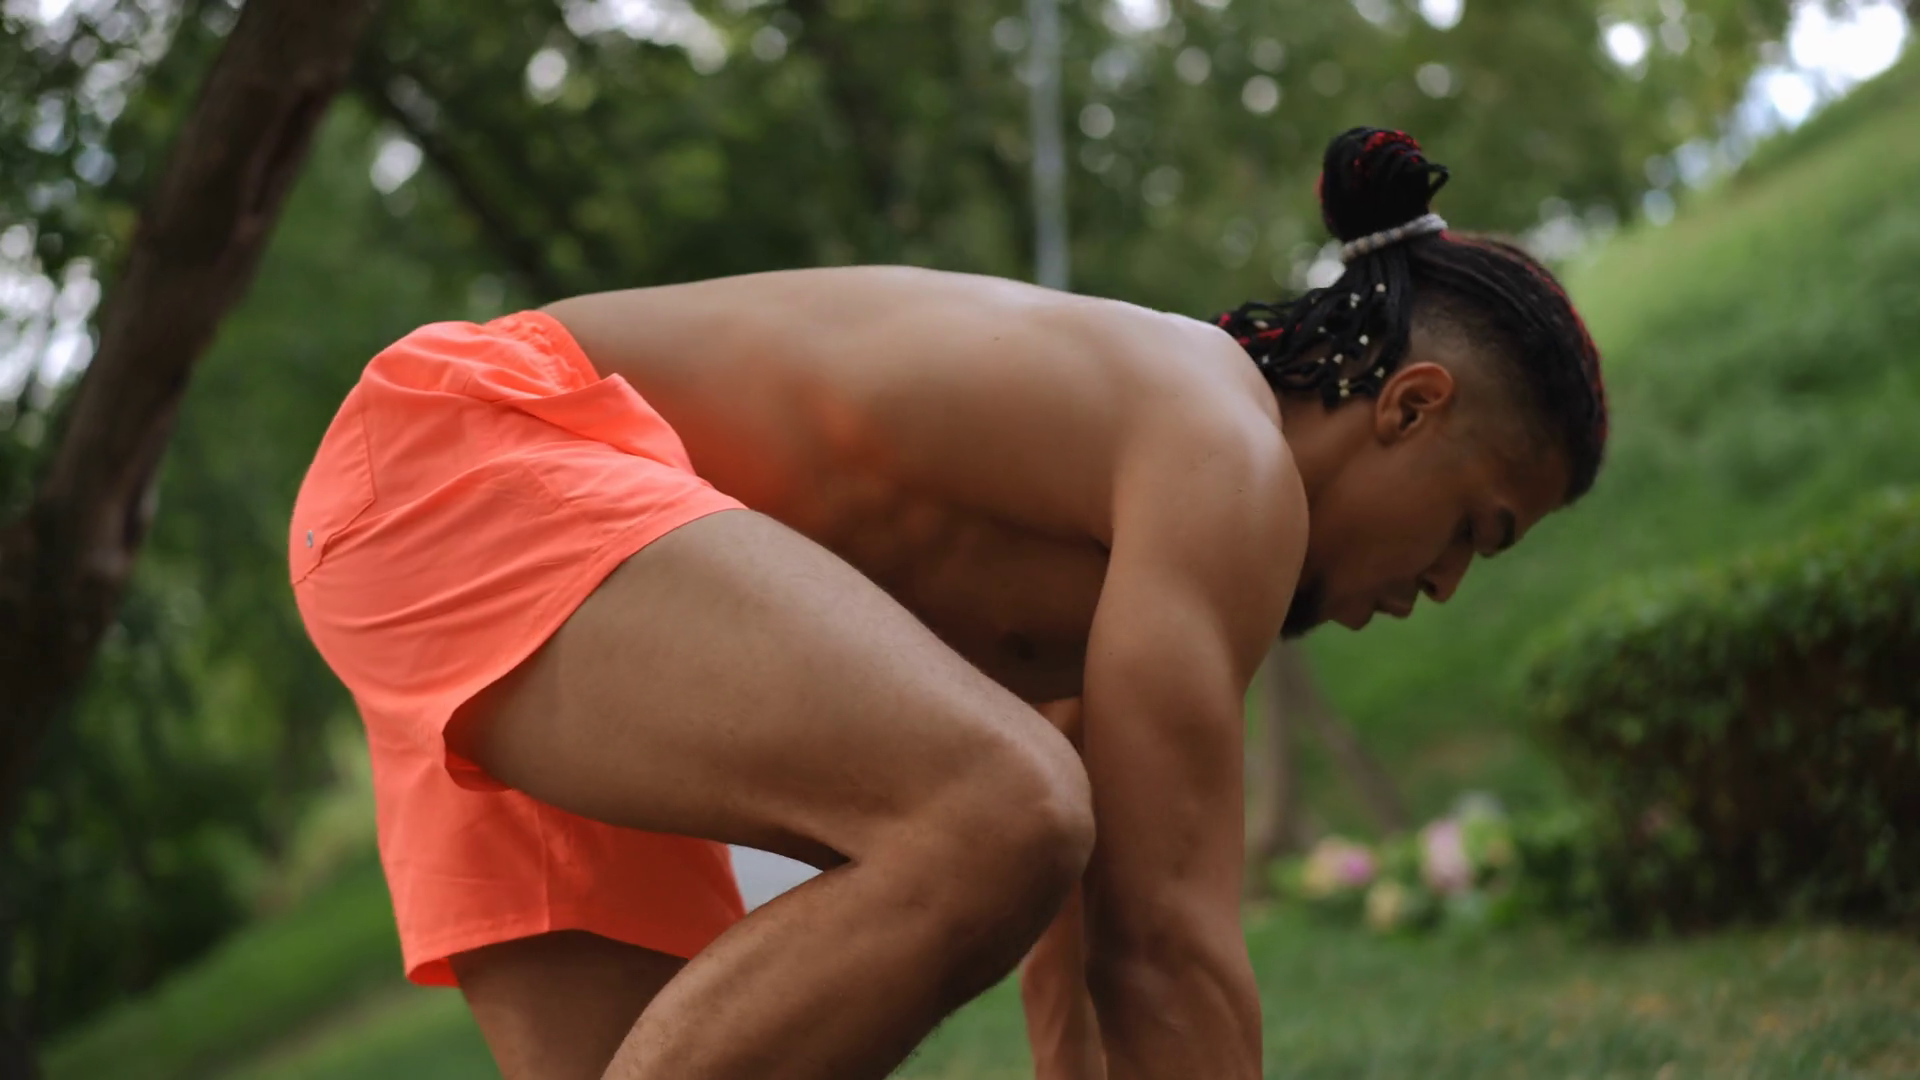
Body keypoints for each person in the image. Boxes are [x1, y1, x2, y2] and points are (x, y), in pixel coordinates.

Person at [288, 128, 1606, 1080]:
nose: (1444, 585)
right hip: (478, 453)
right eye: (1472, 531)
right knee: (1001, 806)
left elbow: (1097, 935)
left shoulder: (1138, 537)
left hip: (546, 570)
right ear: (1410, 407)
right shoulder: (1225, 463)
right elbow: (1168, 949)